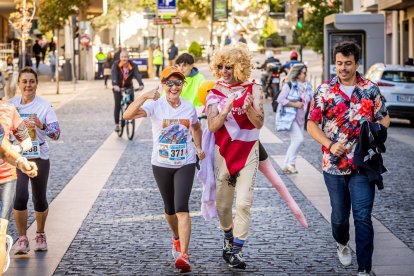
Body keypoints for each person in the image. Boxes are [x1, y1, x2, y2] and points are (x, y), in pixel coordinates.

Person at [307, 42, 390, 276]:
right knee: (340, 217)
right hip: (333, 167)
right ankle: (342, 242)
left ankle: (364, 269)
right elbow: (311, 124)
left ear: (357, 63)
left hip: (363, 165)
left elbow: (384, 119)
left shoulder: (370, 89)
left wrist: (373, 133)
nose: (342, 68)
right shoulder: (324, 90)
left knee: (363, 217)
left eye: (348, 63)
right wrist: (330, 144)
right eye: (339, 63)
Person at [123, 67, 205, 273]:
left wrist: (198, 147)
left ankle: (184, 255)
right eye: (170, 83)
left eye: (178, 83)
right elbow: (127, 115)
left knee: (182, 208)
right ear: (163, 84)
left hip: (185, 163)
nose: (174, 87)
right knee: (169, 210)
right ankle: (176, 238)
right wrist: (144, 96)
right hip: (160, 164)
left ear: (182, 86)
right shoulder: (155, 106)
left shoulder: (188, 108)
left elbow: (196, 127)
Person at [205, 43, 263, 269]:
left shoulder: (254, 88)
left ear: (239, 66)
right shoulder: (215, 92)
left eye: (228, 66)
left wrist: (248, 109)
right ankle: (228, 239)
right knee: (223, 205)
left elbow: (260, 122)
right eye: (220, 66)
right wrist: (226, 110)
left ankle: (235, 251)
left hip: (249, 150)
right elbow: (211, 126)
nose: (224, 71)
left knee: (244, 203)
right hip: (224, 152)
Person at [8, 67, 61, 255]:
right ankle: (22, 239)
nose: (28, 85)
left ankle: (40, 234)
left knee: (39, 199)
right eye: (24, 81)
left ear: (36, 84)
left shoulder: (44, 106)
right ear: (19, 84)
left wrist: (41, 125)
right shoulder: (11, 105)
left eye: (32, 81)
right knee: (20, 197)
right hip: (18, 159)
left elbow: (56, 133)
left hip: (39, 158)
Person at [0, 90, 39, 273]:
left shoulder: (8, 110)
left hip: (5, 177)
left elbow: (26, 142)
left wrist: (18, 156)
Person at [276, 63, 313, 174]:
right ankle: (291, 164)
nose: (305, 75)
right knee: (298, 139)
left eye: (306, 73)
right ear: (297, 74)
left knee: (295, 141)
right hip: (290, 117)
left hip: (302, 117)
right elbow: (280, 99)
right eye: (304, 73)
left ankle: (286, 165)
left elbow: (311, 100)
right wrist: (294, 104)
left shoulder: (307, 85)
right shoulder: (290, 85)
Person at [111, 50, 144, 132]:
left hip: (129, 86)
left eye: (125, 57)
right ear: (120, 58)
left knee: (132, 104)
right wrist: (115, 84)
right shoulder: (116, 65)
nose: (124, 59)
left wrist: (141, 84)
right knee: (118, 104)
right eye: (122, 57)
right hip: (118, 87)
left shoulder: (133, 65)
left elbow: (137, 74)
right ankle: (117, 124)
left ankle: (129, 116)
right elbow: (114, 74)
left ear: (128, 58)